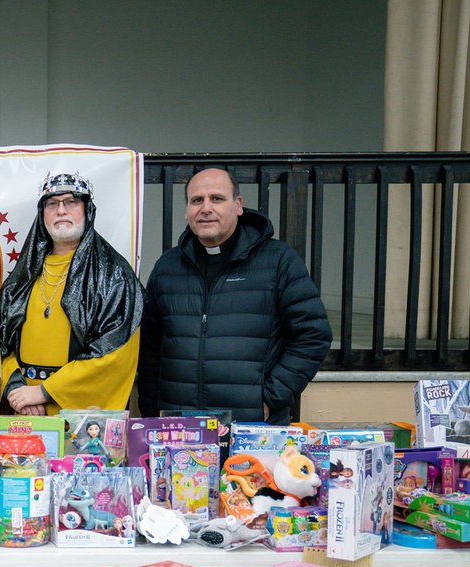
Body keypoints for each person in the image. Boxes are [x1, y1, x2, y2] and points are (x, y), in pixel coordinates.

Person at [0, 173, 143, 567]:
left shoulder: (114, 276)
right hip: (28, 418)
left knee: (86, 523)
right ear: (42, 214)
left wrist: (49, 392)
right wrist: (18, 387)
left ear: (86, 210)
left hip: (84, 424)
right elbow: (2, 341)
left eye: (70, 202)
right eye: (52, 203)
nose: (62, 210)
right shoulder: (24, 274)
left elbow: (116, 355)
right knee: (25, 517)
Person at [138, 168, 332, 424]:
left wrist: (272, 397)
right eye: (197, 200)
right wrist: (151, 412)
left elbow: (313, 335)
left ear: (238, 205)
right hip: (180, 428)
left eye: (217, 198)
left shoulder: (278, 261)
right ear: (187, 211)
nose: (206, 208)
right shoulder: (167, 267)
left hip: (252, 428)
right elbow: (149, 348)